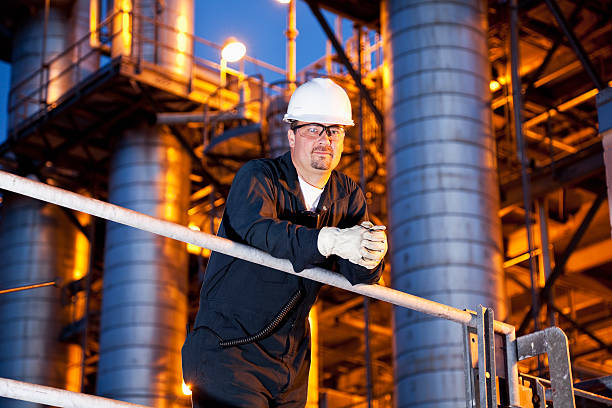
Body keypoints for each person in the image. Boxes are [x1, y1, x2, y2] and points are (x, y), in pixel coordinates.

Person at [181, 78, 388, 407]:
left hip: (290, 362)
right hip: (229, 349)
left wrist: (370, 257)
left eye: (335, 130)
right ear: (291, 135)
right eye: (313, 129)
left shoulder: (347, 195)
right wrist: (328, 239)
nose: (325, 140)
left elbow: (356, 275)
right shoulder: (259, 177)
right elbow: (260, 231)